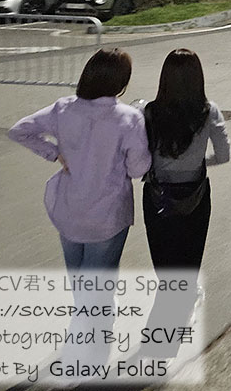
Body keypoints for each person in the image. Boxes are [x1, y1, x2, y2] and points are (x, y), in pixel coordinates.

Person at [9, 48, 151, 270]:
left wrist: (54, 152)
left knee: (77, 278)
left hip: (70, 211)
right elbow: (137, 169)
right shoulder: (129, 118)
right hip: (107, 216)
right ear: (121, 81)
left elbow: (19, 130)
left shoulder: (63, 108)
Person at [142, 49, 229, 271]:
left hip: (157, 194)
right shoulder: (209, 111)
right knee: (189, 260)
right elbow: (223, 155)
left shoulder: (149, 111)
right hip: (195, 196)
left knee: (163, 261)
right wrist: (197, 161)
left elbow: (140, 155)